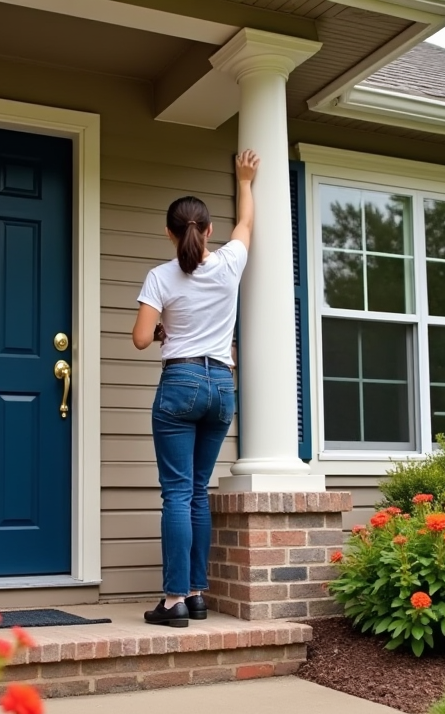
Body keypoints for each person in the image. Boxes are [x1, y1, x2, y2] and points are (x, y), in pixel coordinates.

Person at [132, 149, 259, 627]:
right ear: (206, 231)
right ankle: (199, 594)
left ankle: (173, 601)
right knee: (198, 492)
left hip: (180, 382)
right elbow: (245, 223)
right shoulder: (229, 264)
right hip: (221, 385)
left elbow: (142, 338)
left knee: (176, 494)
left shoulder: (161, 277)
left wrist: (165, 328)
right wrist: (244, 179)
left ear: (170, 233)